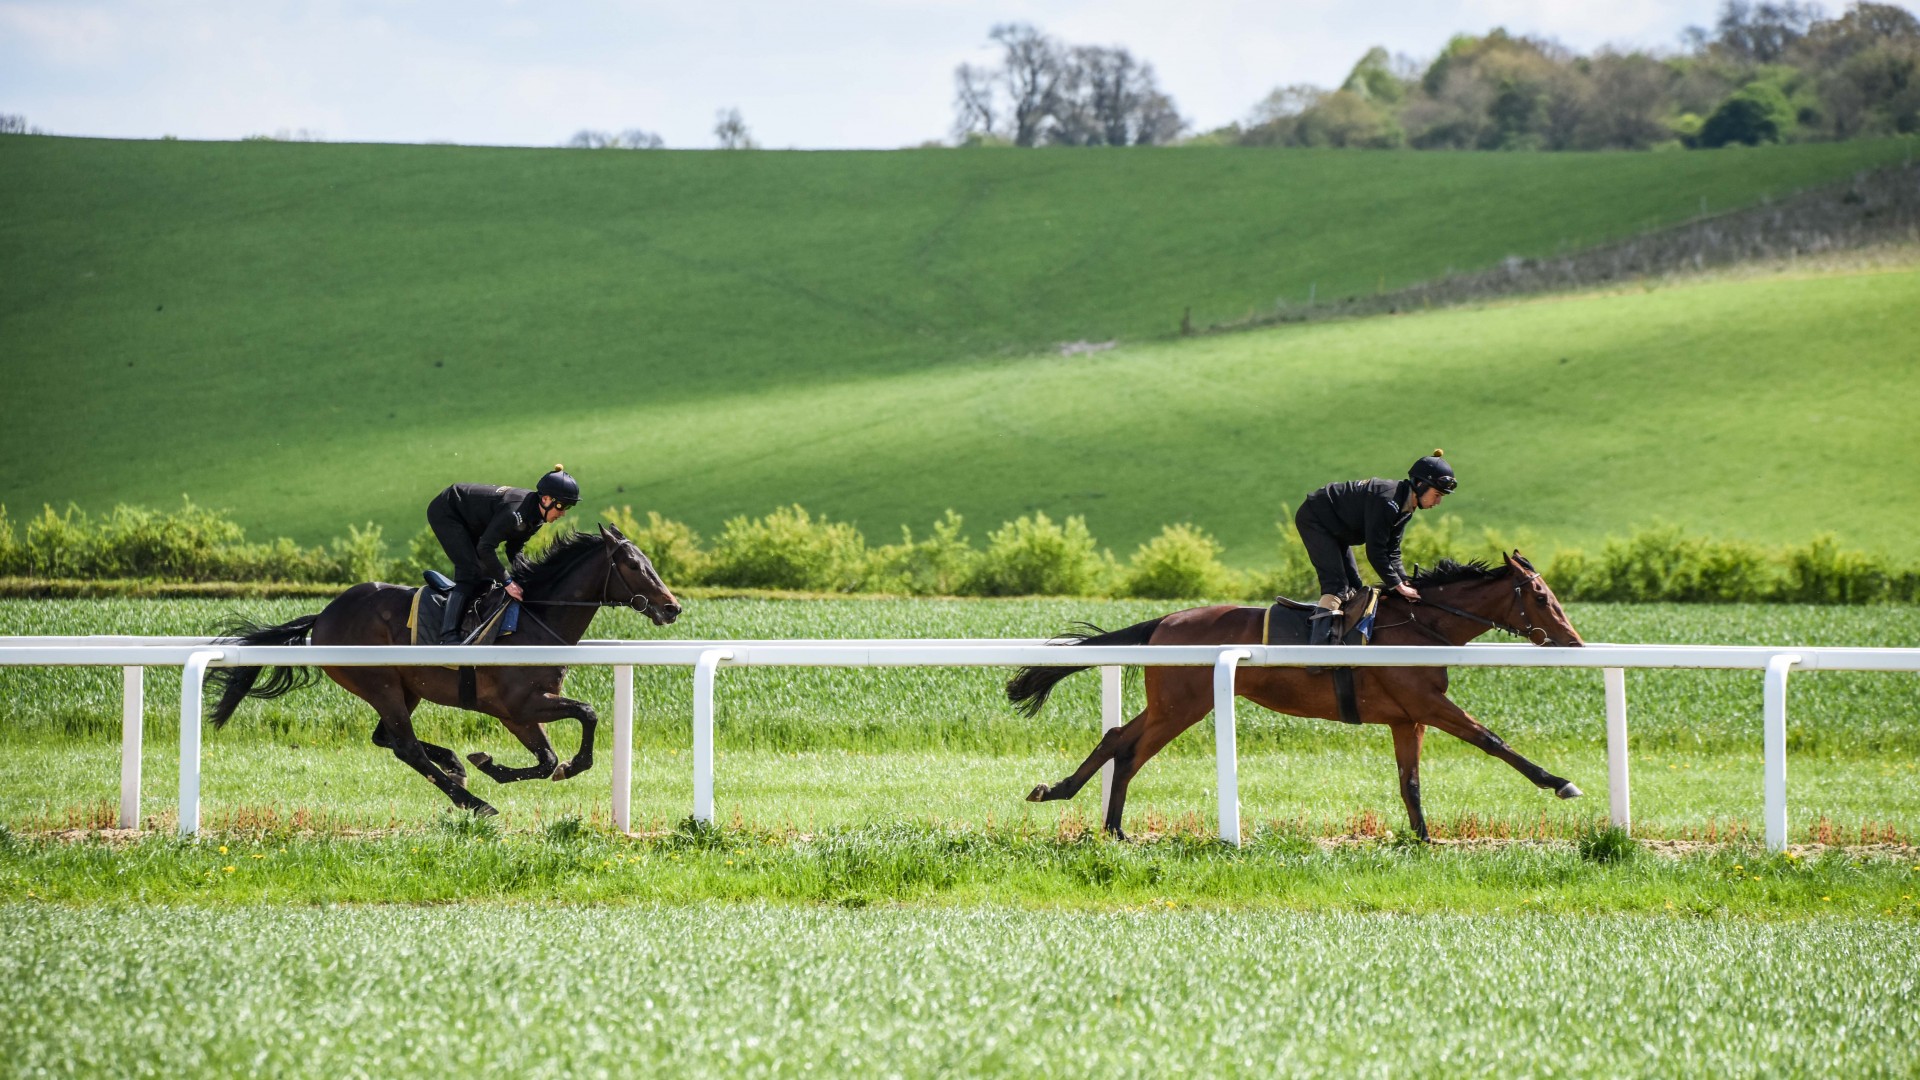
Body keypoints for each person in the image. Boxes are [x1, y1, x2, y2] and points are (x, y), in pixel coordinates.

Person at [1293, 450, 1456, 647]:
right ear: (1420, 485)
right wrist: (1398, 586)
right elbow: (1375, 551)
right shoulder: (1388, 501)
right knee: (1336, 586)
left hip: (1336, 527)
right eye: (1437, 495)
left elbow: (1392, 551)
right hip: (1316, 520)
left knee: (1355, 588)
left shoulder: (1404, 507)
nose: (1438, 502)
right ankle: (1318, 650)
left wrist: (1405, 581)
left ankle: (1342, 641)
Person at [425, 465, 579, 644]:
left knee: (486, 577)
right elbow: (485, 548)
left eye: (569, 507)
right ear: (546, 499)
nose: (563, 513)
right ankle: (448, 635)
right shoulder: (514, 513)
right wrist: (508, 582)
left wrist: (527, 576)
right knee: (470, 571)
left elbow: (514, 549)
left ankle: (469, 623)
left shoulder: (536, 518)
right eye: (562, 506)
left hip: (470, 519)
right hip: (447, 511)